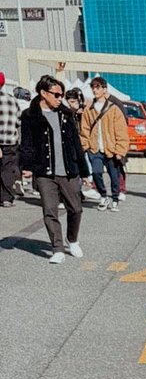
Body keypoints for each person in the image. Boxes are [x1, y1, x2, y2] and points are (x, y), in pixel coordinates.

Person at [19, 73, 87, 261]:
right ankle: (57, 248)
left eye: (61, 95)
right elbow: (26, 143)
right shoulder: (30, 116)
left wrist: (84, 171)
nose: (59, 99)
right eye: (56, 94)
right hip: (44, 172)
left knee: (76, 209)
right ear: (43, 93)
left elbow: (75, 143)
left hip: (68, 170)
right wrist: (27, 166)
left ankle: (72, 240)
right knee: (50, 210)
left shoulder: (66, 114)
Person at [78, 76, 130, 211]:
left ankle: (115, 198)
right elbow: (84, 129)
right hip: (94, 148)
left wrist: (120, 150)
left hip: (111, 149)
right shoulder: (88, 109)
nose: (95, 90)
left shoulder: (113, 109)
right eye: (93, 87)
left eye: (98, 87)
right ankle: (103, 195)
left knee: (114, 176)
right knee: (96, 173)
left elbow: (121, 131)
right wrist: (85, 146)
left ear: (104, 89)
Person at [0, 72, 21, 207]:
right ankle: (6, 198)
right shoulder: (12, 100)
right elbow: (18, 121)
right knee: (7, 169)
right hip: (10, 141)